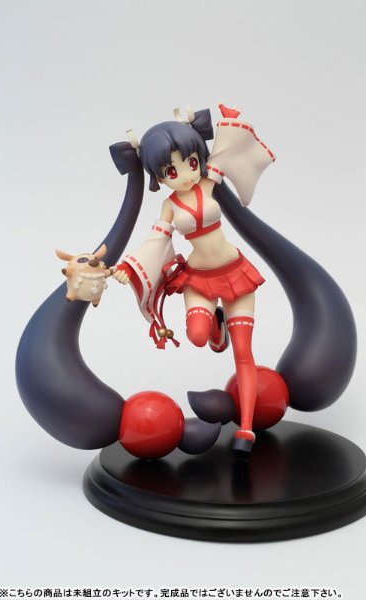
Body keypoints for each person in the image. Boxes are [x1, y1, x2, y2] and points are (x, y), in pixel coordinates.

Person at [112, 104, 275, 453]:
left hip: (236, 272)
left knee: (243, 353)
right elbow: (157, 239)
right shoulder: (170, 206)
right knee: (198, 337)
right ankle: (217, 328)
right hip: (199, 279)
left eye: (190, 162)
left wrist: (230, 123)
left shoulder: (209, 182)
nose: (185, 174)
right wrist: (130, 267)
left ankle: (246, 430)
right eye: (171, 170)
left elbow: (227, 152)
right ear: (159, 177)